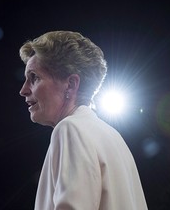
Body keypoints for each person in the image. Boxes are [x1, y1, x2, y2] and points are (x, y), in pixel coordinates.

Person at [19, 30, 148, 210]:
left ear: (71, 85)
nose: (23, 90)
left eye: (34, 78)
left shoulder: (70, 128)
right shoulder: (114, 137)